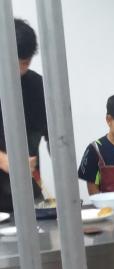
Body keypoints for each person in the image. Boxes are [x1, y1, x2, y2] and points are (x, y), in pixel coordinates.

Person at [0, 18, 46, 213]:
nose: (21, 69)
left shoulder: (37, 86)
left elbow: (56, 139)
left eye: (26, 63)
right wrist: (3, 160)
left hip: (28, 195)